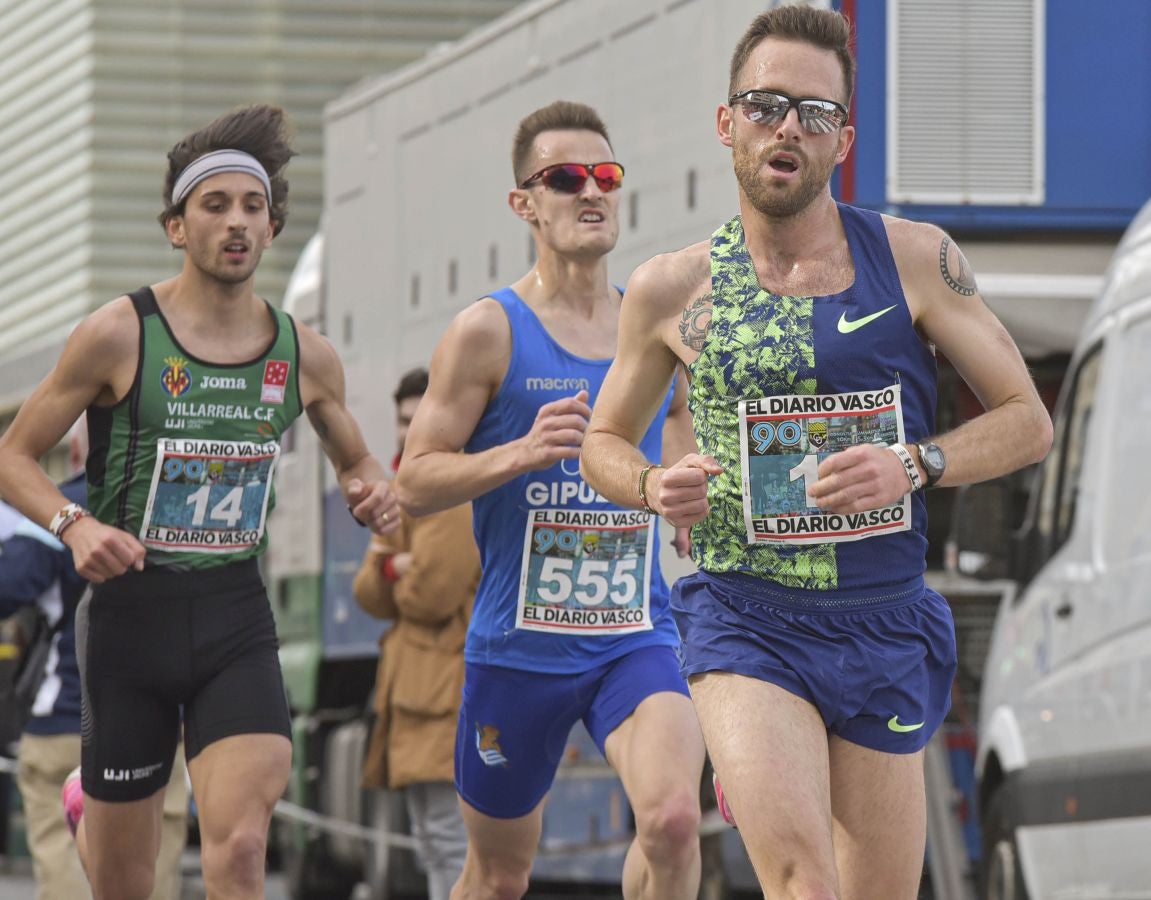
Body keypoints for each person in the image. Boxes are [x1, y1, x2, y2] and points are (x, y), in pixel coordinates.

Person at [579, 7, 1053, 899]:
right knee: (803, 881)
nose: (787, 127)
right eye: (764, 105)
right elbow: (601, 443)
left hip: (881, 617)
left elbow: (1028, 419)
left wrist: (915, 465)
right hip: (745, 616)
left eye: (814, 112)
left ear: (842, 138)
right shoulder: (669, 288)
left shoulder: (914, 259)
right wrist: (650, 483)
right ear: (727, 124)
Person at [0, 104, 400, 900]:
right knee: (125, 884)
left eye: (252, 207)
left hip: (234, 619)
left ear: (274, 226)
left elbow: (357, 461)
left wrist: (370, 493)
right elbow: (13, 455)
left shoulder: (304, 355)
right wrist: (74, 526)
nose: (237, 222)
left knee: (243, 847)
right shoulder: (120, 333)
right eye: (214, 205)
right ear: (176, 227)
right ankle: (97, 805)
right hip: (126, 623)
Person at [396, 100, 706, 900]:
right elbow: (413, 481)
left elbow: (677, 429)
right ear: (523, 203)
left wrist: (684, 492)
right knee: (499, 878)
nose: (590, 191)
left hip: (631, 638)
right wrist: (519, 452)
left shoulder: (656, 323)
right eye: (564, 178)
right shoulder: (487, 332)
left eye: (606, 175)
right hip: (516, 654)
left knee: (671, 823)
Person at [0, 419, 189, 900]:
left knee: (64, 857)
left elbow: (8, 587)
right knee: (156, 852)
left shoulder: (55, 514)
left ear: (80, 448)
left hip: (66, 716)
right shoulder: (181, 506)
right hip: (162, 719)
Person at [352, 367, 478, 900]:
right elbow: (368, 592)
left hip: (446, 692)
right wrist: (393, 565)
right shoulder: (406, 490)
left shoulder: (452, 485)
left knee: (450, 840)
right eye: (401, 421)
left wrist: (400, 568)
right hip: (418, 693)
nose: (407, 433)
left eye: (417, 418)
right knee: (431, 838)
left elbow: (431, 592)